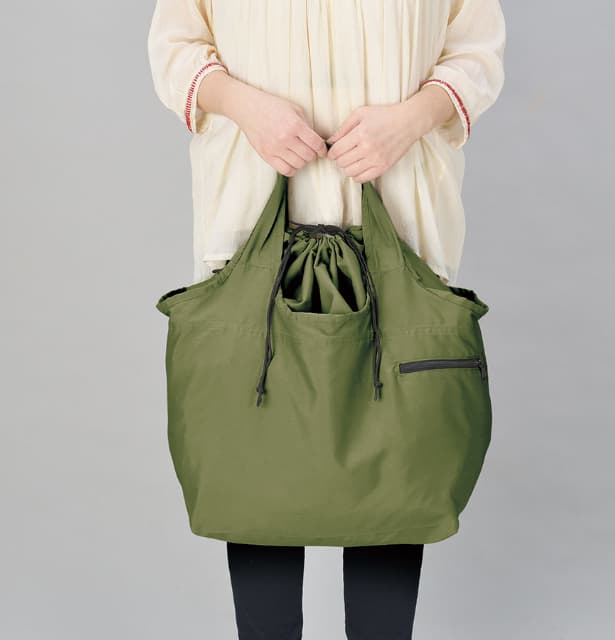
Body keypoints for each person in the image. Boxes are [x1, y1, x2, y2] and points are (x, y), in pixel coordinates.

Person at [147, 1, 506, 638]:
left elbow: (476, 49)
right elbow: (176, 46)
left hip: (402, 212)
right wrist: (246, 108)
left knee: (392, 472)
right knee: (257, 473)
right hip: (249, 212)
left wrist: (410, 119)